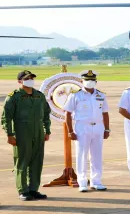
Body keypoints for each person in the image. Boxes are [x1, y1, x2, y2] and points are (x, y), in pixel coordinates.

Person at [1, 70, 51, 201]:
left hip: (38, 132)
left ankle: (33, 189)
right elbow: (6, 117)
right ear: (20, 81)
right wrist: (10, 134)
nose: (30, 80)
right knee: (22, 161)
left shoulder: (39, 96)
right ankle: (23, 190)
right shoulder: (14, 97)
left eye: (32, 78)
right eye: (27, 78)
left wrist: (47, 131)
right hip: (22, 132)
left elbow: (46, 114)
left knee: (37, 161)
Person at [63, 70, 110, 192]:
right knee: (82, 155)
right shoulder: (75, 95)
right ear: (81, 81)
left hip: (98, 127)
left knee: (97, 155)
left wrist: (107, 129)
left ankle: (96, 181)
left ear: (96, 82)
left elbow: (105, 113)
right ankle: (82, 182)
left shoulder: (101, 95)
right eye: (87, 80)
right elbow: (67, 114)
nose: (90, 82)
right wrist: (70, 131)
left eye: (92, 80)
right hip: (82, 127)